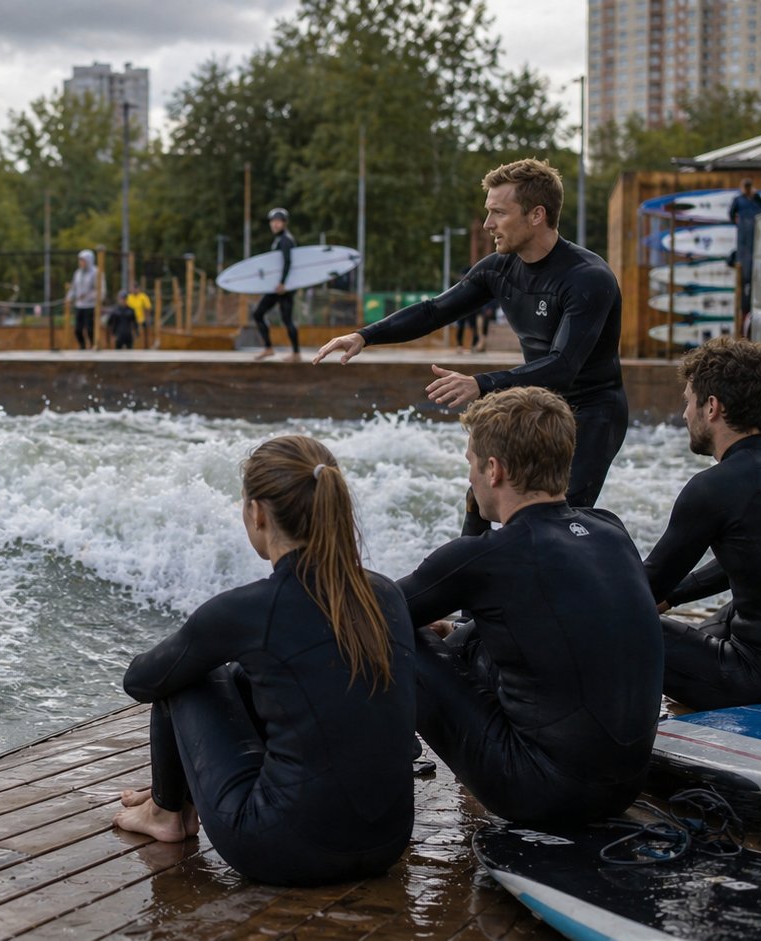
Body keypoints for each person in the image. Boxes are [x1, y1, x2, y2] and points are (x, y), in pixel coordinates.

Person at [113, 435, 416, 886]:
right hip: (385, 843)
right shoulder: (384, 594)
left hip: (284, 848)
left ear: (256, 512)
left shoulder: (248, 611)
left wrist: (200, 643)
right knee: (246, 672)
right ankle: (176, 797)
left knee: (191, 674)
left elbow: (142, 681)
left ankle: (166, 813)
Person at [313, 159, 627, 530]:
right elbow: (434, 311)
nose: (487, 224)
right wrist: (365, 335)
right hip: (538, 405)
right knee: (480, 498)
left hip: (592, 410)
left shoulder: (587, 279)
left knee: (555, 521)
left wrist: (480, 384)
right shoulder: (499, 268)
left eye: (498, 212)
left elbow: (562, 367)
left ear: (537, 215)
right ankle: (467, 578)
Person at [397, 386, 661, 826]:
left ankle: (372, 762)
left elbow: (366, 612)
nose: (471, 478)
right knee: (472, 637)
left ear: (494, 469)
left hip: (538, 793)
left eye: (471, 465)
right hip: (623, 786)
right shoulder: (609, 530)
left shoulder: (486, 557)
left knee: (388, 628)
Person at [644, 337, 761, 710]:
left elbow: (639, 590)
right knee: (735, 610)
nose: (684, 415)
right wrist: (675, 596)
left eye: (688, 401)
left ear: (712, 406)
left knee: (620, 624)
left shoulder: (714, 487)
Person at [251, 208, 299, 362]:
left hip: (283, 288)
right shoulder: (280, 239)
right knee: (261, 314)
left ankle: (294, 353)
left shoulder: (285, 239)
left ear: (284, 223)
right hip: (278, 286)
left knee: (282, 318)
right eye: (273, 222)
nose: (275, 225)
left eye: (278, 222)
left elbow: (288, 262)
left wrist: (283, 283)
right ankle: (269, 348)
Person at [728, 179, 761, 316]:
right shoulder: (739, 200)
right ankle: (744, 304)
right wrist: (737, 223)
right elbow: (731, 214)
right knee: (745, 267)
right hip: (744, 234)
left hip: (756, 233)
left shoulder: (756, 199)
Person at [64, 249, 98, 350]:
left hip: (90, 306)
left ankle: (92, 345)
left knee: (90, 328)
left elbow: (100, 290)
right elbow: (73, 288)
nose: (81, 263)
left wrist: (88, 296)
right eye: (80, 260)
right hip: (79, 305)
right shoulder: (77, 273)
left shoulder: (96, 272)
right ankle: (82, 346)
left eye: (83, 260)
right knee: (78, 329)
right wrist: (69, 298)